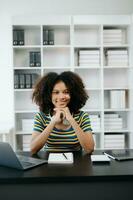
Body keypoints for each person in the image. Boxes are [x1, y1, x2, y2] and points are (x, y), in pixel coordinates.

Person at [31, 71, 95, 154]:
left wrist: (71, 119)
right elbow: (33, 149)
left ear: (74, 94)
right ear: (48, 95)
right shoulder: (41, 117)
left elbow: (89, 149)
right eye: (56, 92)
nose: (61, 97)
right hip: (50, 163)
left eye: (66, 92)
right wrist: (53, 122)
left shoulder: (82, 116)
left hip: (76, 163)